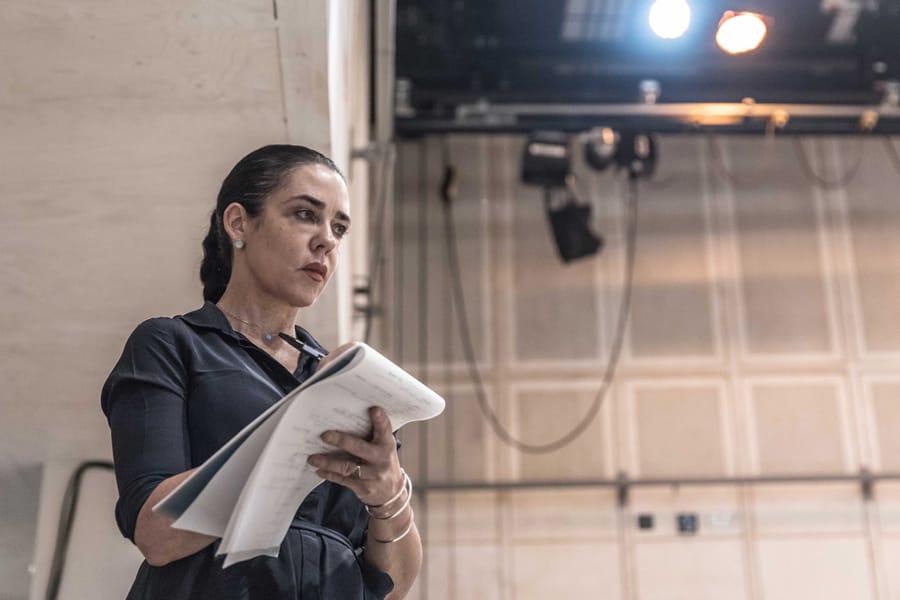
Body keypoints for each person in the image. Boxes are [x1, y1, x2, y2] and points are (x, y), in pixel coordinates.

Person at [101, 145, 421, 599]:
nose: (327, 240)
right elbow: (156, 533)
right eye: (305, 214)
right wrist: (289, 440)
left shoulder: (346, 382)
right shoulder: (171, 344)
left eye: (339, 227)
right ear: (238, 223)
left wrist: (389, 494)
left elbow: (393, 588)